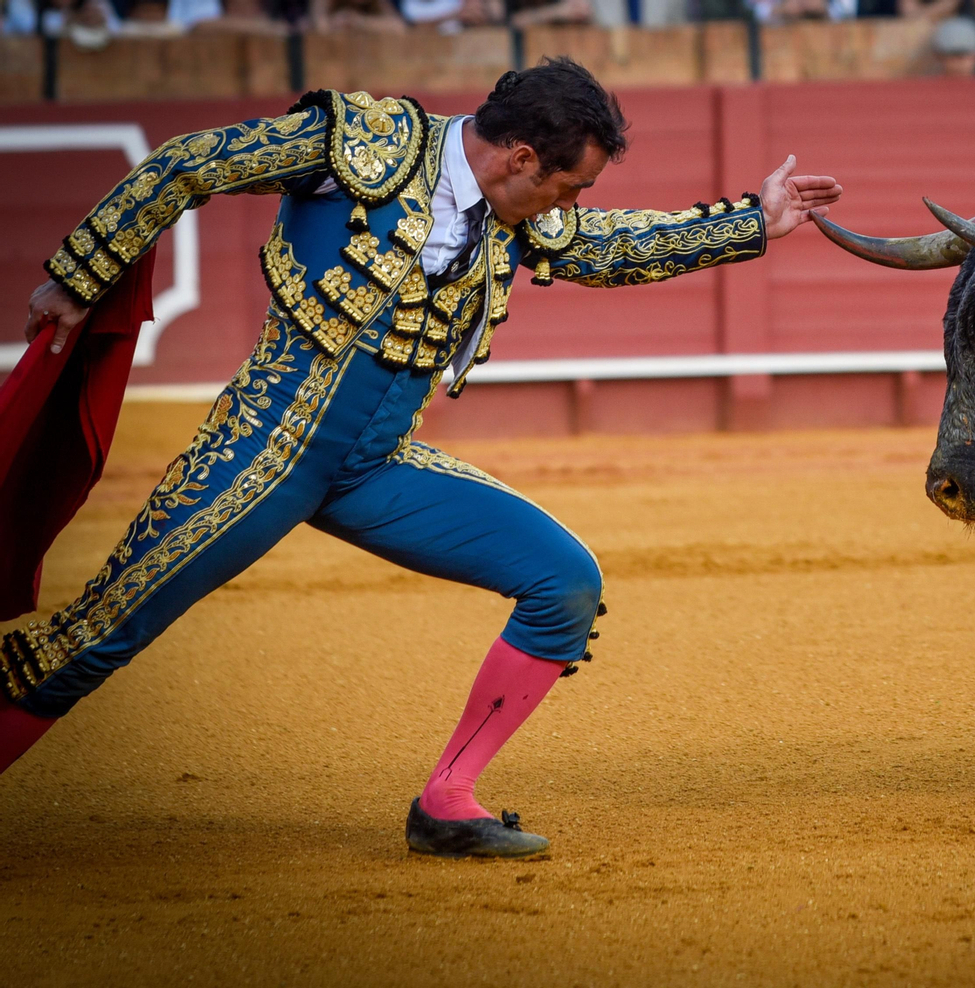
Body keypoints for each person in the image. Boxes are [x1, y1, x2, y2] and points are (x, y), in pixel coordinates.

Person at [1, 57, 842, 859]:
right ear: (520, 157)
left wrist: (752, 222)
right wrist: (80, 276)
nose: (570, 204)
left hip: (375, 467)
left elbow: (608, 247)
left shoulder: (518, 211)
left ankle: (447, 803)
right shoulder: (359, 148)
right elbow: (188, 163)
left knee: (563, 582)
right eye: (568, 185)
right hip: (265, 447)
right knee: (93, 639)